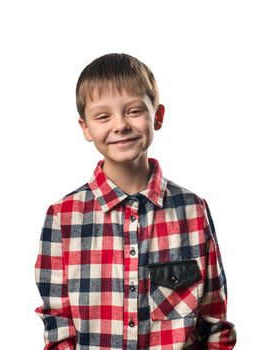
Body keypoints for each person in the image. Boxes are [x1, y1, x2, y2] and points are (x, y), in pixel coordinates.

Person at [34, 53, 236, 349]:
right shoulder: (62, 218)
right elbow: (58, 326)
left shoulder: (193, 211)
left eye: (133, 111)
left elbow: (214, 321)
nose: (120, 125)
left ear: (158, 115)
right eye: (103, 116)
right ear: (86, 128)